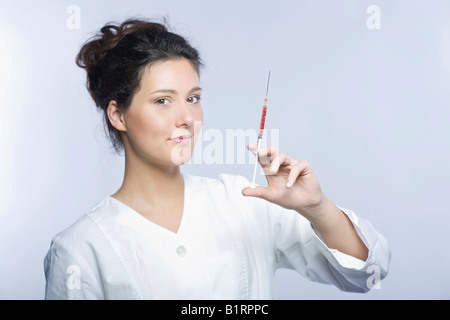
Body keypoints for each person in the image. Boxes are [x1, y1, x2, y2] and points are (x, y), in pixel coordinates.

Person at [44, 18, 390, 299]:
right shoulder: (81, 249)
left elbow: (365, 274)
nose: (186, 118)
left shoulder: (244, 203)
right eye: (163, 100)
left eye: (193, 98)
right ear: (118, 115)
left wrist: (316, 208)